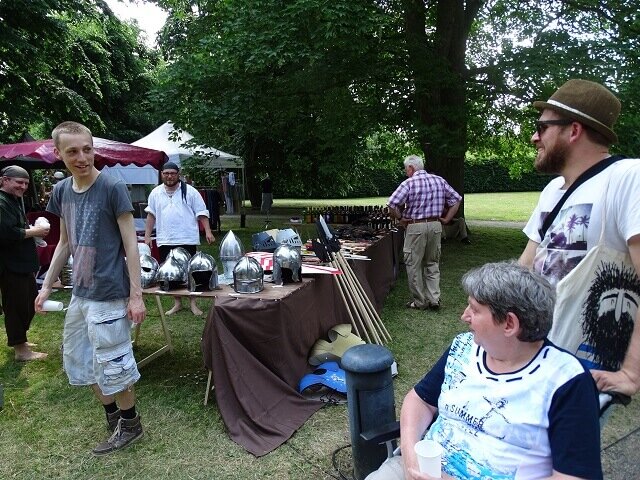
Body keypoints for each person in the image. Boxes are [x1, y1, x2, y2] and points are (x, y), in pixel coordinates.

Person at [366, 262, 602, 480]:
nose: (464, 316)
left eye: (475, 309)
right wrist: (411, 460)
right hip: (424, 470)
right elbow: (420, 401)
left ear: (509, 324)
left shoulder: (567, 382)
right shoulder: (465, 348)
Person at [519, 79, 640, 398]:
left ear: (573, 130)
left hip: (583, 370)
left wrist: (631, 373)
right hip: (533, 357)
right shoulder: (552, 190)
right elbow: (525, 267)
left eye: (542, 127)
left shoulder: (628, 178)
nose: (534, 137)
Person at [34, 121, 146, 455]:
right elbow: (64, 243)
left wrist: (136, 296)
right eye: (73, 152)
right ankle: (113, 416)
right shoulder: (61, 191)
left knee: (115, 363)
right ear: (58, 154)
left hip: (109, 291)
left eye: (87, 149)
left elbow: (131, 244)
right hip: (80, 291)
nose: (82, 157)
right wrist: (46, 286)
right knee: (81, 361)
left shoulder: (112, 187)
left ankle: (131, 424)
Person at [388, 155, 462, 310]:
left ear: (411, 168)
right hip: (435, 225)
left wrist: (400, 218)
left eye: (406, 169)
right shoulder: (439, 180)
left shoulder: (409, 183)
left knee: (413, 264)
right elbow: (456, 199)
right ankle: (434, 299)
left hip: (415, 226)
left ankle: (420, 301)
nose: (406, 172)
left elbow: (392, 204)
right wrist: (447, 219)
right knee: (432, 262)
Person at [143, 161, 215, 316]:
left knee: (190, 272)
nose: (169, 176)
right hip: (165, 239)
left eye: (172, 173)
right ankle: (177, 303)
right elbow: (151, 215)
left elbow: (202, 213)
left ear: (178, 174)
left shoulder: (190, 192)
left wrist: (208, 231)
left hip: (186, 238)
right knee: (170, 273)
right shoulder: (155, 193)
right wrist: (147, 236)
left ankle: (193, 303)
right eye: (166, 173)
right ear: (162, 174)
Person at [0, 165, 50, 361]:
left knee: (29, 302)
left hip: (21, 263)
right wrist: (35, 231)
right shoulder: (1, 202)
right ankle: (21, 350)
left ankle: (20, 340)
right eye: (19, 182)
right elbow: (6, 233)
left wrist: (31, 230)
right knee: (16, 306)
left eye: (26, 183)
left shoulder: (12, 200)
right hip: (10, 265)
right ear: (4, 180)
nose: (23, 187)